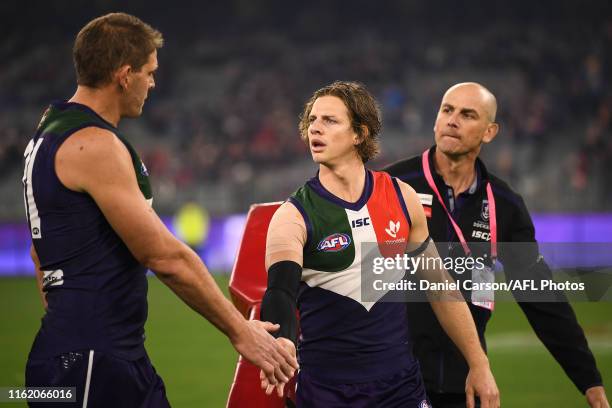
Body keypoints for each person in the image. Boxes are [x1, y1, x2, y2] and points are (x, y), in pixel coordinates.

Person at [22, 13, 297, 407]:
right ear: (124, 74)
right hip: (93, 363)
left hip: (85, 354)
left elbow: (38, 251)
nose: (152, 83)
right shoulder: (94, 145)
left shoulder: (49, 129)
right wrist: (241, 330)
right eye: (149, 72)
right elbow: (163, 257)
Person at [258, 81, 500, 407]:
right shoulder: (293, 216)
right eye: (312, 120)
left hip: (401, 389)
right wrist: (282, 340)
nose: (315, 128)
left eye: (330, 120)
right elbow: (279, 293)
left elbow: (440, 286)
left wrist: (479, 363)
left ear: (360, 133)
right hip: (327, 394)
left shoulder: (402, 199)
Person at [384, 82, 610, 408]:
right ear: (435, 121)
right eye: (447, 110)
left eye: (467, 114)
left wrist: (589, 380)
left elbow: (541, 296)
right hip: (395, 380)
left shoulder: (504, 204)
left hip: (464, 384)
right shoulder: (391, 186)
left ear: (489, 132)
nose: (452, 120)